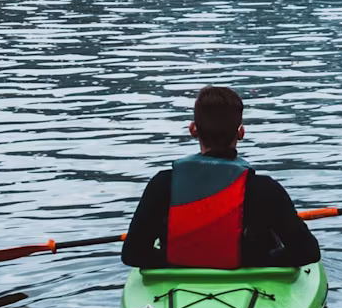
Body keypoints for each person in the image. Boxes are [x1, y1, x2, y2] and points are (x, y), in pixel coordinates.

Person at [122, 86, 321, 270]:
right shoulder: (265, 189)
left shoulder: (163, 184)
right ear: (241, 132)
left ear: (193, 130)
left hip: (176, 279)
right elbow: (307, 252)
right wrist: (257, 260)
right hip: (251, 279)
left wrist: (172, 261)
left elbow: (133, 254)